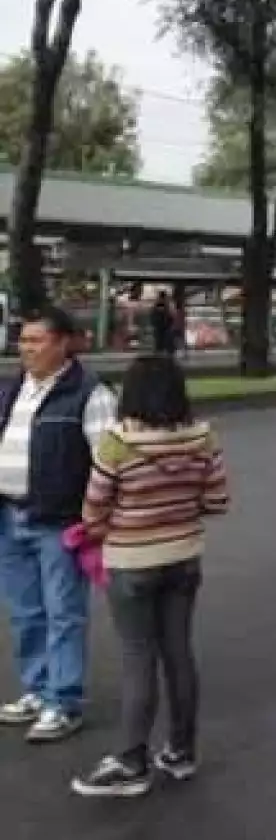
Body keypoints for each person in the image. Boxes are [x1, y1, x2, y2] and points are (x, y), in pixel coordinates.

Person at [69, 355, 229, 797]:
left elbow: (92, 510)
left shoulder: (117, 443)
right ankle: (181, 751)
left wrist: (122, 520)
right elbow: (217, 502)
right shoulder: (203, 437)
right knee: (179, 652)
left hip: (132, 562)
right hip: (184, 559)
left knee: (138, 657)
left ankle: (130, 761)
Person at [0, 307, 118, 743]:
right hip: (10, 516)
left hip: (59, 521)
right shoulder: (14, 390)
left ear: (65, 343)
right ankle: (37, 687)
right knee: (26, 612)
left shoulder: (90, 394)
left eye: (37, 341)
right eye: (23, 341)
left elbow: (109, 463)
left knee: (63, 613)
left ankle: (63, 700)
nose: (26, 349)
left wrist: (95, 521)